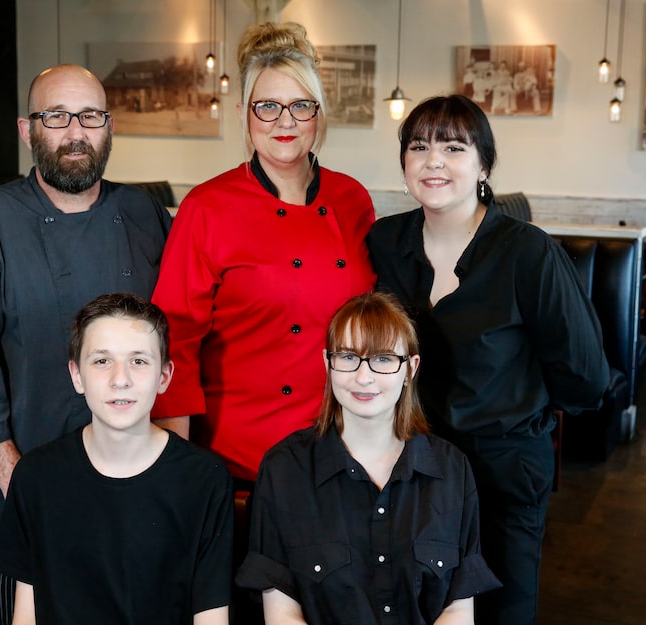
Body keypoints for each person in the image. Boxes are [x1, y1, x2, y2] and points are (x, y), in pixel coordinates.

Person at [0, 64, 172, 625]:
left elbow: (170, 346)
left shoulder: (143, 215)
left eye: (89, 116)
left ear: (108, 127)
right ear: (27, 129)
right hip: (18, 496)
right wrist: (28, 492)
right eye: (56, 116)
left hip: (131, 496)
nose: (74, 132)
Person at [365, 95, 609, 625]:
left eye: (454, 147)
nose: (434, 161)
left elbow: (586, 376)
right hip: (413, 463)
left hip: (502, 469)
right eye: (419, 147)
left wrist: (525, 413)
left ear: (483, 165)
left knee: (502, 609)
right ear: (404, 163)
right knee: (418, 604)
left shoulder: (528, 252)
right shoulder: (385, 241)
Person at [151, 22, 376, 485]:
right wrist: (175, 465)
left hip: (342, 444)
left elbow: (374, 320)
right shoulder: (207, 207)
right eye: (268, 106)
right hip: (239, 456)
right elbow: (175, 338)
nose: (285, 121)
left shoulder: (352, 199)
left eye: (300, 106)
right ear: (244, 114)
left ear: (319, 113)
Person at [236, 292, 501, 624]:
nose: (364, 377)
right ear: (327, 363)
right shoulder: (284, 469)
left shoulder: (452, 469)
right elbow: (281, 613)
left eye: (384, 359)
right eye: (348, 357)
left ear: (410, 369)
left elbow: (459, 609)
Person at [0, 293, 233, 625]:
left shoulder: (205, 480)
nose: (121, 379)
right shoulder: (35, 476)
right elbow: (26, 610)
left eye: (138, 361)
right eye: (102, 361)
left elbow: (211, 614)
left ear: (164, 376)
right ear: (77, 375)